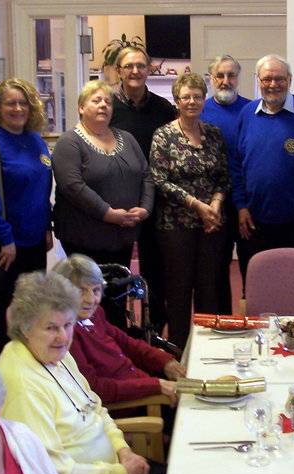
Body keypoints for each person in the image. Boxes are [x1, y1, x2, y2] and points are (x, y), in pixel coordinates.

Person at [0, 271, 161, 474]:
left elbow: (95, 408)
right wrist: (120, 472)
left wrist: (123, 450)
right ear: (25, 328)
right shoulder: (23, 385)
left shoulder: (54, 353)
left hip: (114, 466)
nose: (63, 337)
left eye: (68, 324)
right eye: (51, 327)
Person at [52, 80, 153, 328]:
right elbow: (72, 186)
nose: (103, 106)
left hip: (123, 235)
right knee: (88, 301)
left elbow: (146, 175)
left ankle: (115, 351)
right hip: (85, 237)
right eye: (96, 101)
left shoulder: (126, 138)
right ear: (80, 107)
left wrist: (145, 208)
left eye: (107, 102)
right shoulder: (69, 142)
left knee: (116, 297)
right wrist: (108, 213)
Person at [0, 78, 53, 361]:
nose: (18, 108)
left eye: (23, 103)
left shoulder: (35, 140)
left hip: (34, 243)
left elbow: (41, 190)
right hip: (5, 249)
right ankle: (2, 380)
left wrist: (47, 226)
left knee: (33, 313)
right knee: (6, 317)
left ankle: (30, 374)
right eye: (10, 103)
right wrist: (5, 238)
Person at [149, 73, 230, 349]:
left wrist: (215, 206)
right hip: (175, 227)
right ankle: (179, 353)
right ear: (177, 101)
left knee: (209, 291)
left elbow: (223, 177)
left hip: (211, 227)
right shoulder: (163, 135)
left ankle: (209, 350)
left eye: (197, 96)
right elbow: (159, 180)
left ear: (204, 100)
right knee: (179, 292)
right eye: (186, 97)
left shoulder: (214, 134)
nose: (192, 101)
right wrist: (198, 206)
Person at [233, 54, 294, 284]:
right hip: (255, 222)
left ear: (290, 80)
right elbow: (236, 164)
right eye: (267, 79)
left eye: (279, 79)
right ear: (258, 80)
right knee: (258, 286)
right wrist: (241, 206)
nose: (273, 84)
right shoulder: (246, 114)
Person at [53, 254, 186, 404]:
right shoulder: (66, 336)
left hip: (142, 386)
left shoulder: (95, 315)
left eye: (96, 290)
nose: (91, 299)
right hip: (132, 404)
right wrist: (156, 386)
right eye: (81, 291)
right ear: (61, 292)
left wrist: (165, 362)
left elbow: (128, 343)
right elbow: (95, 390)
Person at [109, 46, 177, 335]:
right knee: (115, 272)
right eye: (128, 66)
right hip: (117, 203)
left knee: (156, 272)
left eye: (140, 65)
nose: (135, 71)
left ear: (149, 70)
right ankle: (117, 333)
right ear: (119, 71)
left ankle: (153, 332)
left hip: (156, 203)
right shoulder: (108, 107)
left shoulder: (164, 109)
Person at [201, 54, 252, 314]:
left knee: (251, 268)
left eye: (231, 75)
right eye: (219, 75)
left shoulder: (252, 110)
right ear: (211, 78)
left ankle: (253, 324)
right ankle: (222, 327)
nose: (225, 80)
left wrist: (243, 204)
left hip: (246, 205)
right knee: (216, 272)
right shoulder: (200, 110)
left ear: (238, 78)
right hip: (212, 206)